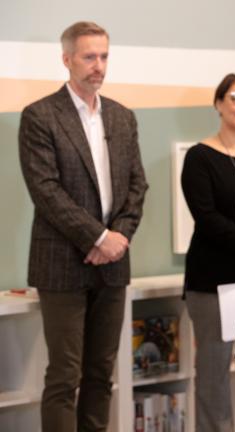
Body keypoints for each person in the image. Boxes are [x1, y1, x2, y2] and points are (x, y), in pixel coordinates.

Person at [18, 21, 148, 431]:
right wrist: (98, 237)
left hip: (113, 263)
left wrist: (119, 237)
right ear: (67, 59)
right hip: (61, 263)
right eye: (89, 56)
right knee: (64, 376)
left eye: (104, 56)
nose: (98, 66)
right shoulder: (39, 116)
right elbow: (46, 190)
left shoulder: (123, 117)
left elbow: (137, 185)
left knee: (101, 375)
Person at [181, 73, 235, 432]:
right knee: (214, 380)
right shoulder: (200, 156)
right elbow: (208, 218)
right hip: (213, 283)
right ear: (218, 103)